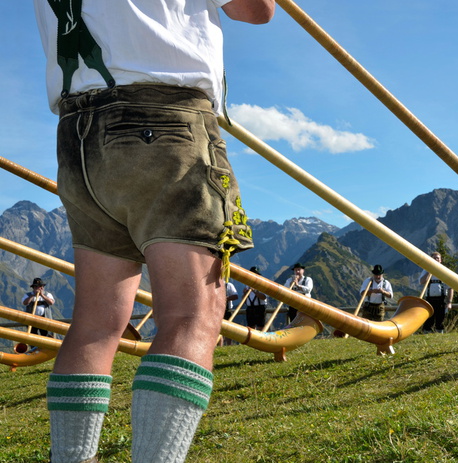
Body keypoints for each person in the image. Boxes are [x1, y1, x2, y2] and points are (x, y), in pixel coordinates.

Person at [33, 1, 275, 462]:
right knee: (190, 314)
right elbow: (256, 9)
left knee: (95, 325)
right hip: (163, 116)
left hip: (77, 131)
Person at [419, 252, 454, 333]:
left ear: (440, 260)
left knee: (440, 320)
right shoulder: (426, 270)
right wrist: (429, 271)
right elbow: (421, 281)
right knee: (428, 319)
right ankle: (427, 335)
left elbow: (450, 288)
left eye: (438, 258)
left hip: (441, 300)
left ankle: (440, 335)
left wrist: (449, 302)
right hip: (429, 299)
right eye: (434, 258)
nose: (436, 259)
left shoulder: (444, 271)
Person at [244, 266, 268, 331]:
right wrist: (244, 293)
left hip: (259, 308)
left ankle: (261, 340)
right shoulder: (247, 285)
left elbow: (264, 297)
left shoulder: (262, 285)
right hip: (250, 308)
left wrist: (255, 291)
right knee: (250, 328)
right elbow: (244, 300)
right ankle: (252, 341)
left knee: (260, 328)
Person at [219, 280, 239, 346]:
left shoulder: (229, 285)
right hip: (217, 310)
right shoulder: (213, 285)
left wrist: (226, 298)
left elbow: (236, 296)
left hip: (227, 310)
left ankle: (229, 345)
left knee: (228, 329)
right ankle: (220, 346)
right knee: (219, 328)